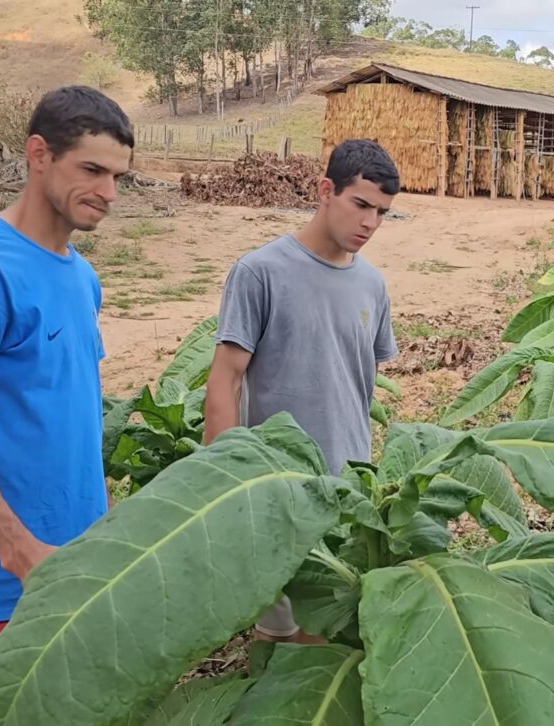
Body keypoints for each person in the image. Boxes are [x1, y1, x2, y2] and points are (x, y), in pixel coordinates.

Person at [0, 86, 133, 657]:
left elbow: (66, 410)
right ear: (39, 155)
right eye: (91, 169)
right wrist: (22, 554)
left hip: (78, 553)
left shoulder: (81, 275)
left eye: (118, 177)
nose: (107, 192)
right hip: (14, 571)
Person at [203, 138, 401, 643]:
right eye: (360, 205)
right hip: (277, 486)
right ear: (325, 190)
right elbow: (225, 379)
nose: (370, 224)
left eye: (381, 212)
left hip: (348, 487)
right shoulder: (261, 272)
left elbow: (357, 381)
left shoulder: (372, 285)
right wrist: (221, 480)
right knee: (286, 637)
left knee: (336, 633)